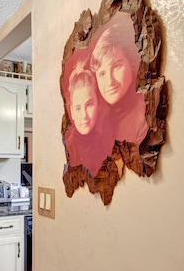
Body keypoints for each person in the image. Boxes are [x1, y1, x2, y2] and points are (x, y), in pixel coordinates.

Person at [90, 12, 148, 145]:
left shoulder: (143, 118)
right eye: (102, 74)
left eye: (116, 66)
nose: (110, 82)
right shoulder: (103, 120)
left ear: (131, 64)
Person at [63, 53, 115, 176]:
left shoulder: (106, 142)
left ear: (99, 105)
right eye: (78, 108)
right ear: (72, 112)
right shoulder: (69, 148)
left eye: (89, 105)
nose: (84, 116)